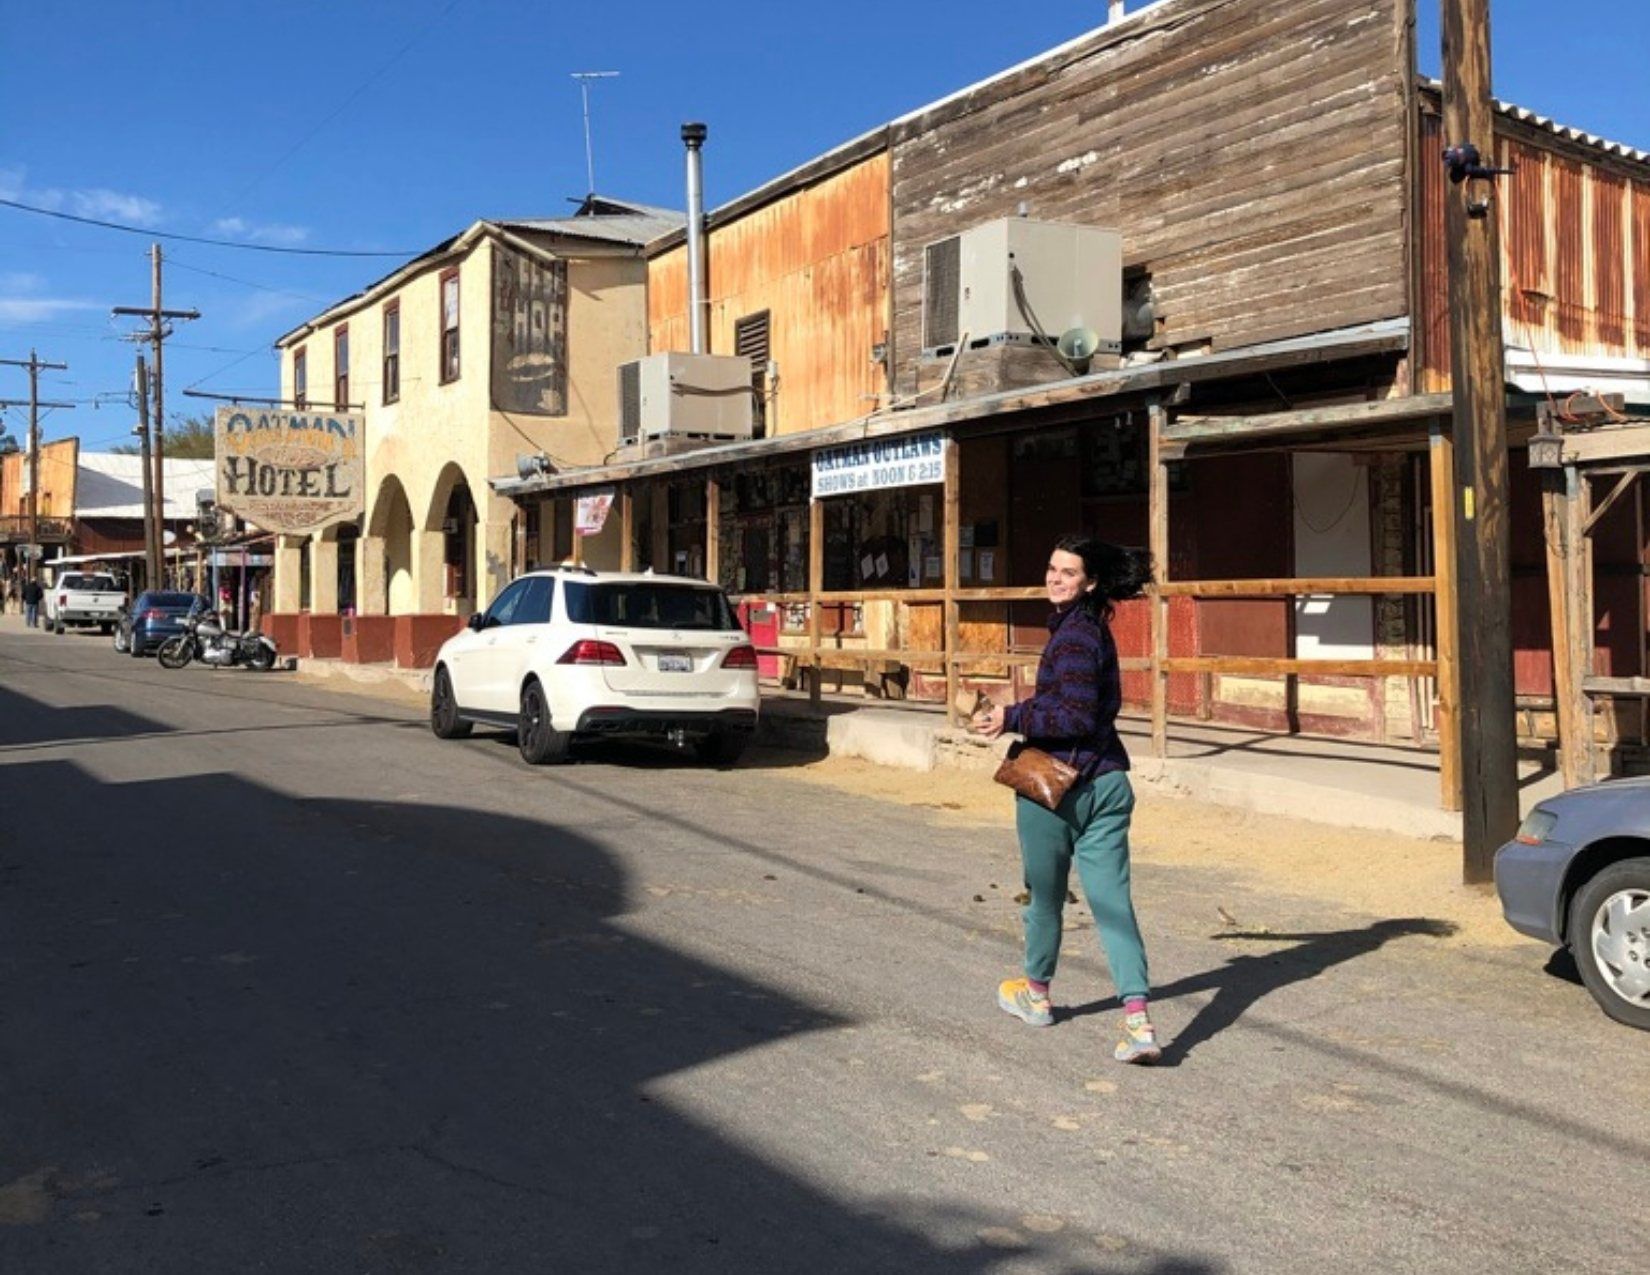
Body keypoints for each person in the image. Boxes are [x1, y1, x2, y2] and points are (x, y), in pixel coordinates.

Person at [972, 533, 1161, 1064]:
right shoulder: (1092, 629)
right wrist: (1021, 708)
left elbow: (1072, 715)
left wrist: (1010, 717)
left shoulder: (1075, 636)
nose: (1055, 578)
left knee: (1045, 897)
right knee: (1113, 906)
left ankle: (1036, 998)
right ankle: (1139, 1023)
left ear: (1091, 582)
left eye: (1068, 572)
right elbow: (1072, 702)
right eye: (1052, 568)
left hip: (1055, 787)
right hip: (1109, 783)